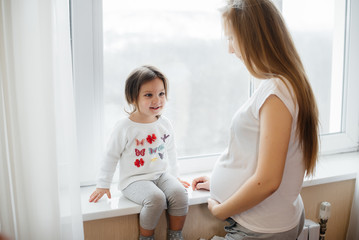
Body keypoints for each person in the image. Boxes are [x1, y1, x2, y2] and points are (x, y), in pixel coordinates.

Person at [192, 0, 319, 239]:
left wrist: (221, 210)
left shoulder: (276, 92)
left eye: (231, 38)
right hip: (268, 220)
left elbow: (269, 180)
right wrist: (221, 182)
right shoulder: (285, 84)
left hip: (260, 228)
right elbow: (261, 154)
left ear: (253, 38)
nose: (230, 49)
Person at [89, 65, 190, 240]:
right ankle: (146, 238)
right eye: (148, 95)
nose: (157, 100)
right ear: (133, 97)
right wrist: (103, 184)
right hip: (134, 180)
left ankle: (175, 236)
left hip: (160, 175)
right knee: (156, 199)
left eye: (161, 94)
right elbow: (110, 156)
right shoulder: (125, 127)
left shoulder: (165, 124)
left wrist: (175, 176)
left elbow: (172, 152)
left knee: (180, 193)